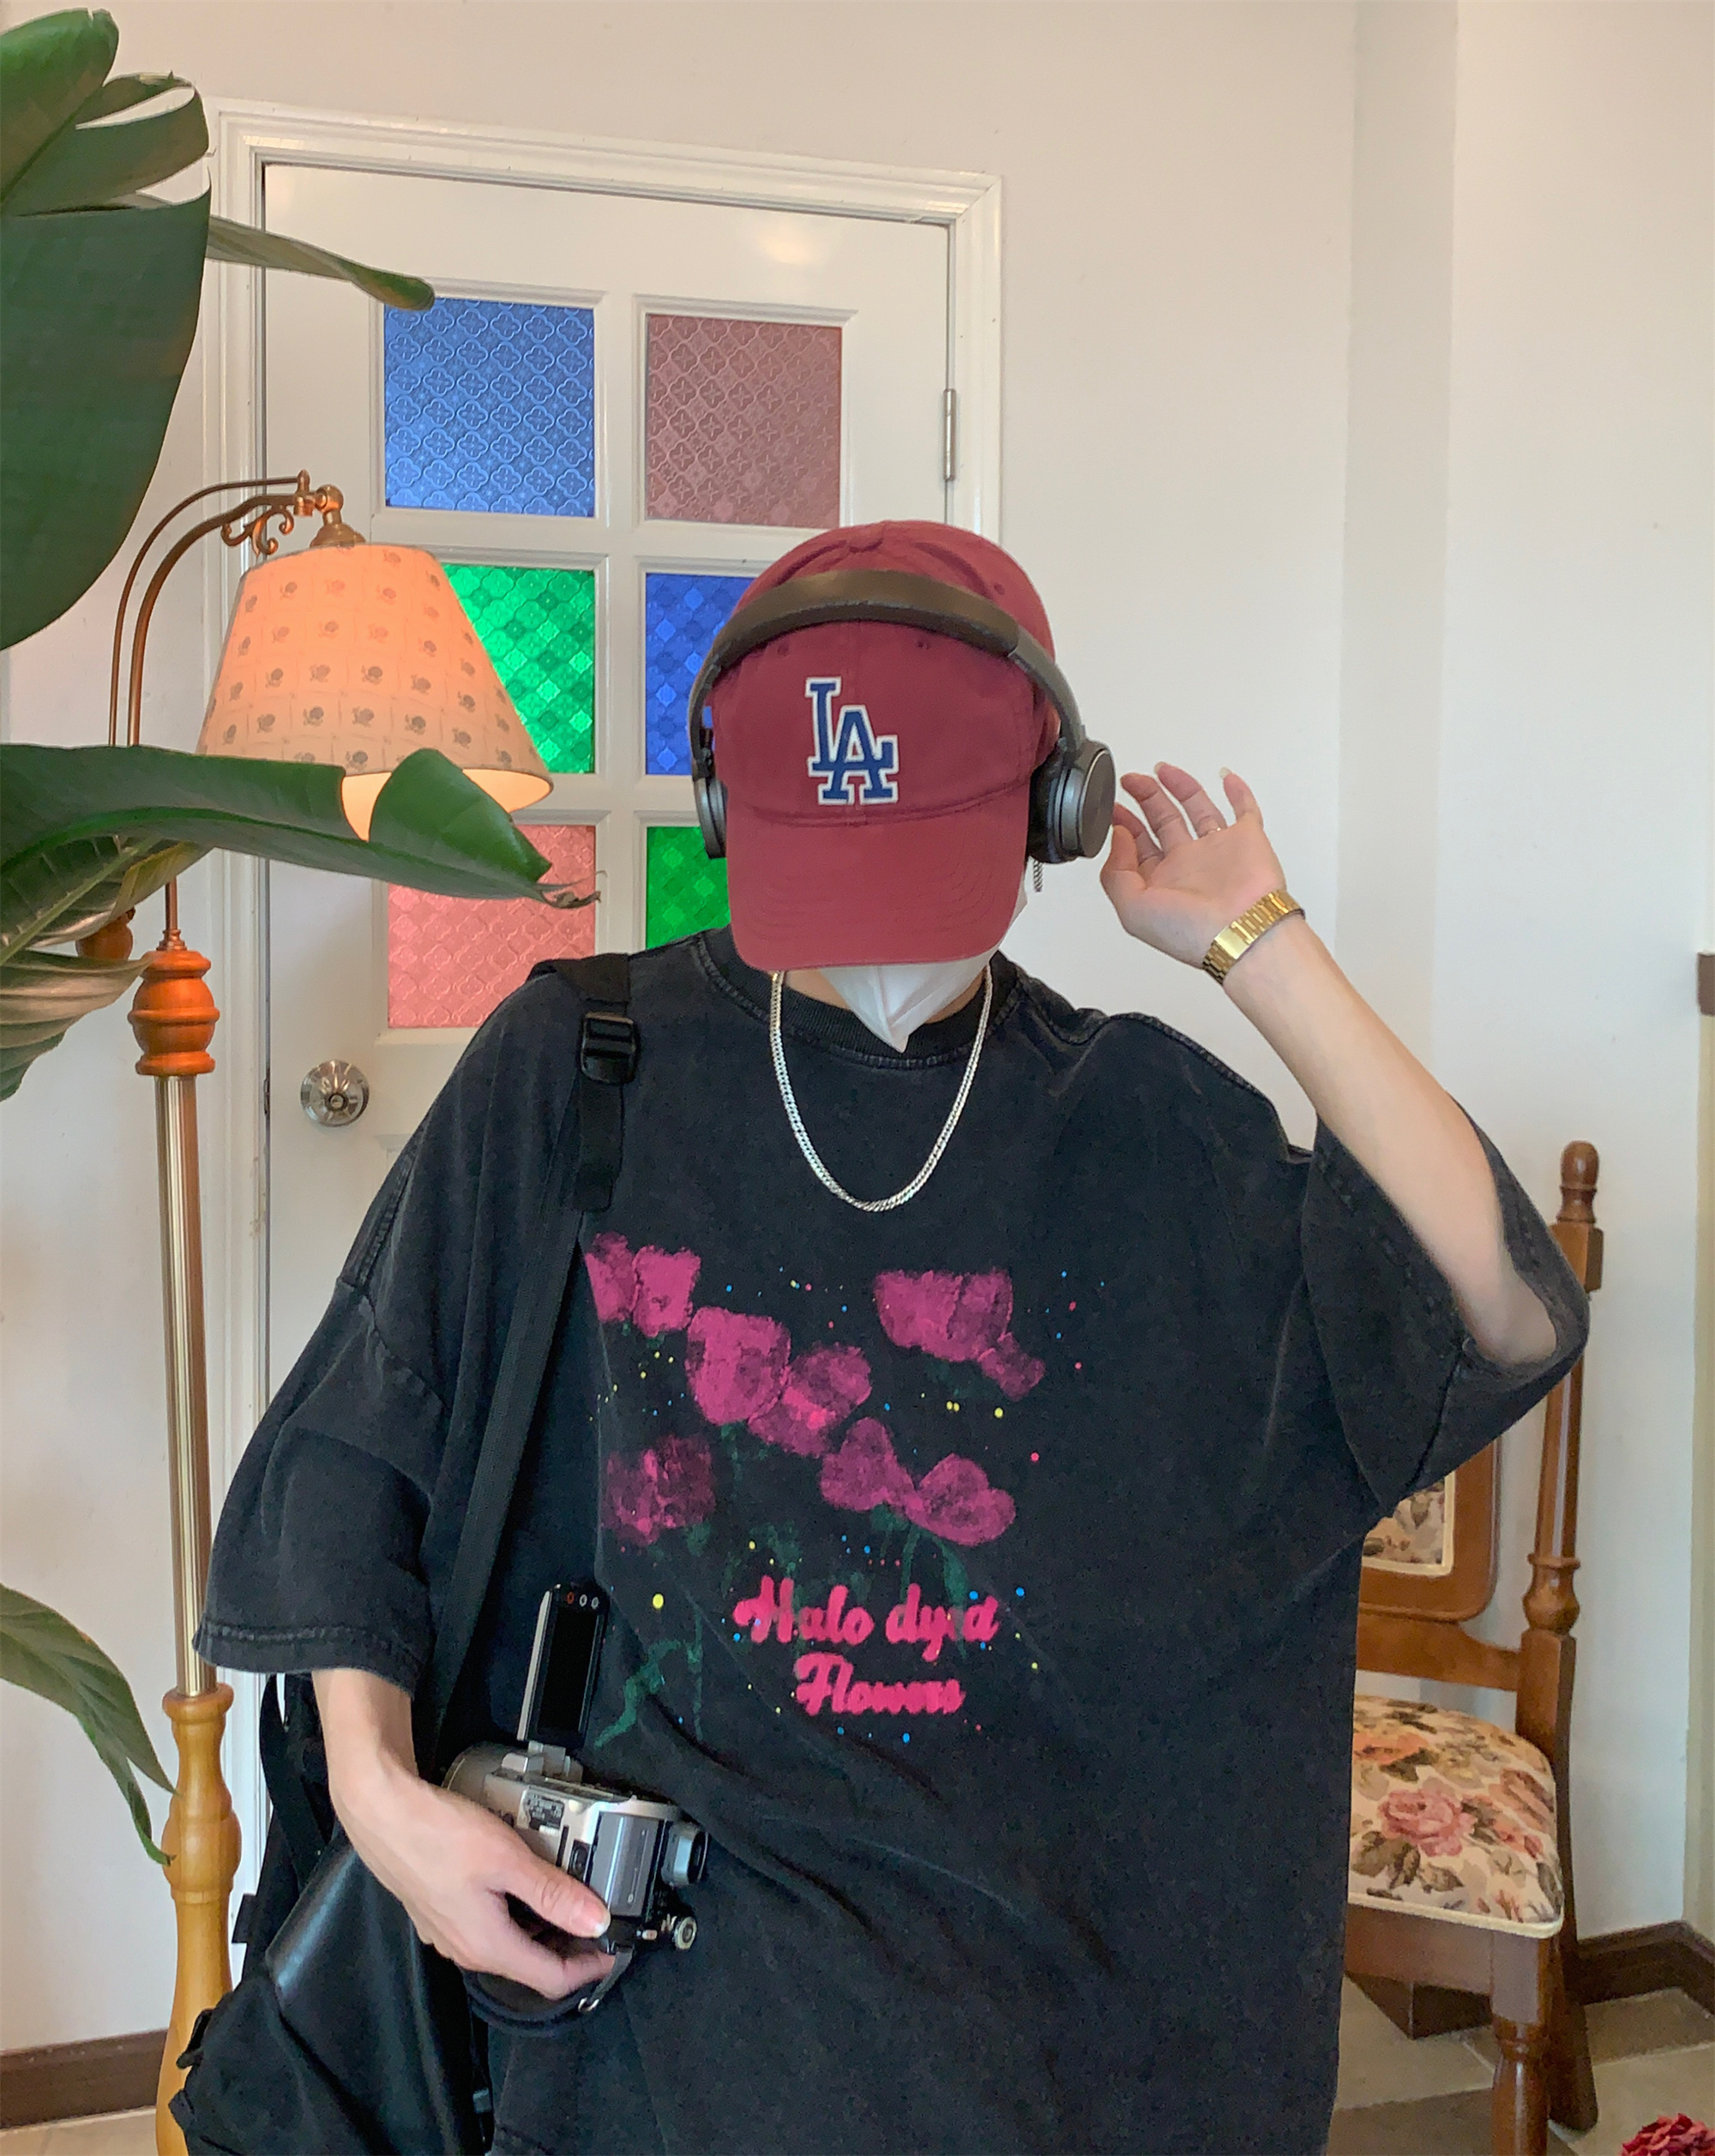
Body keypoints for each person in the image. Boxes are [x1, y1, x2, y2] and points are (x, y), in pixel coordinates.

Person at [200, 522, 1586, 2155]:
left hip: (1027, 2001)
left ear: (1056, 811)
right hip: (646, 2002)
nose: (870, 933)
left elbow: (1500, 1307)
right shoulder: (578, 1065)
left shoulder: (1137, 1121)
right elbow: (352, 1452)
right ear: (731, 813)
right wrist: (383, 1806)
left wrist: (1257, 939)